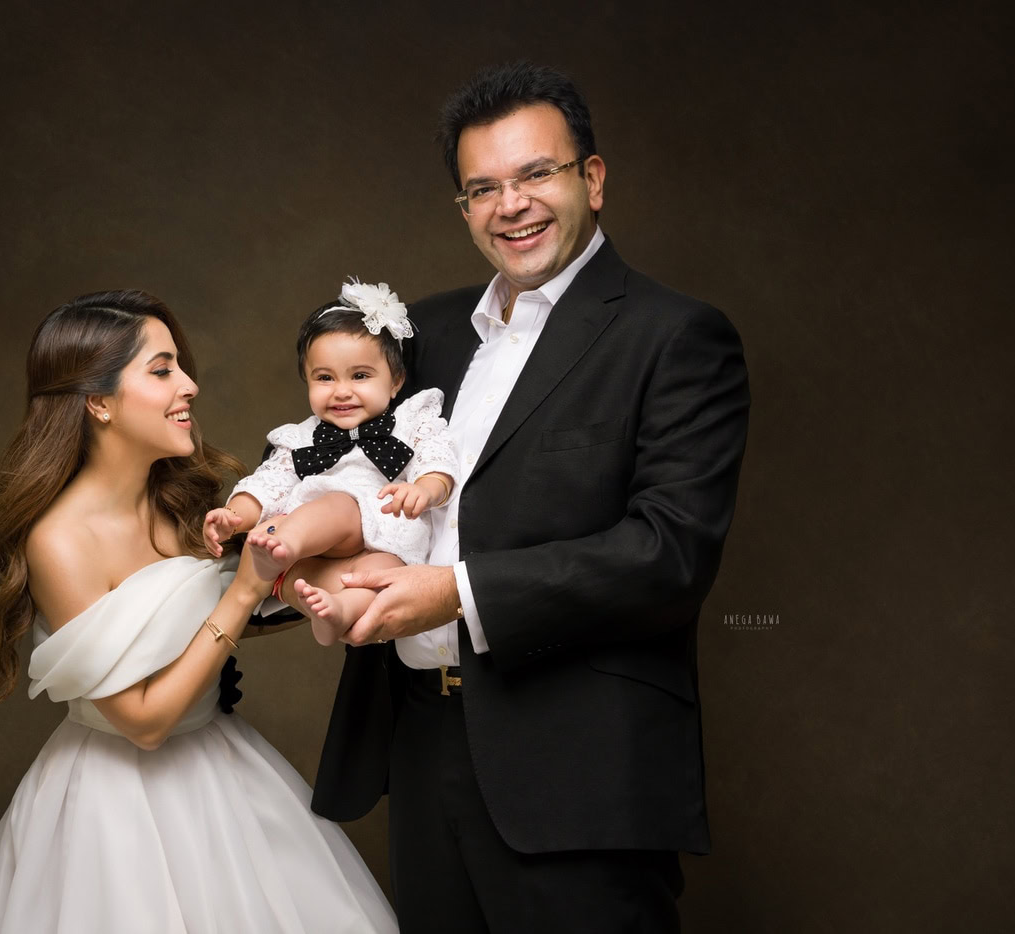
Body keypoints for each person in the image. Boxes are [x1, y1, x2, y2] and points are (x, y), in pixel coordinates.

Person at [309, 62, 751, 932]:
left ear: (591, 177)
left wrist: (457, 592)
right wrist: (305, 563)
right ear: (465, 209)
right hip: (420, 741)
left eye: (535, 174)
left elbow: (669, 553)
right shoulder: (419, 336)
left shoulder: (674, 336)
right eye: (483, 188)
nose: (510, 204)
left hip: (577, 769)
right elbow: (341, 467)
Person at [0, 290, 395, 933]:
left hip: (222, 768)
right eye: (162, 370)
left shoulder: (179, 502)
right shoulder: (60, 540)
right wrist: (245, 589)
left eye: (180, 366)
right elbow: (144, 721)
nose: (189, 383)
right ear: (98, 402)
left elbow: (243, 598)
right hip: (116, 810)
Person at [203, 279, 459, 646]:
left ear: (396, 381)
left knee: (381, 576)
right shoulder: (302, 437)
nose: (341, 390)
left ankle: (338, 612)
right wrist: (236, 516)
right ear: (306, 380)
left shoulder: (411, 421)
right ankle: (284, 546)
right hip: (310, 535)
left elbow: (438, 456)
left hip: (385, 533)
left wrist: (425, 489)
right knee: (337, 505)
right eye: (324, 378)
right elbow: (268, 483)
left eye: (360, 376)